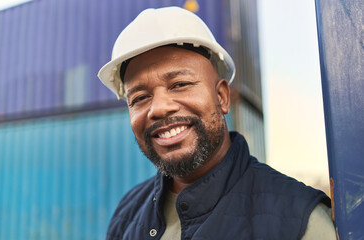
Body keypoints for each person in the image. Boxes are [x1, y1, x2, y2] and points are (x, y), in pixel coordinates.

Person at [98, 6, 336, 240]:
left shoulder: (300, 223)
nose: (158, 108)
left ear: (221, 96)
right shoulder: (126, 215)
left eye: (180, 84)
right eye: (139, 98)